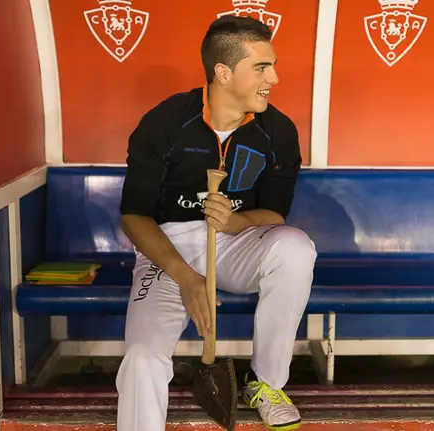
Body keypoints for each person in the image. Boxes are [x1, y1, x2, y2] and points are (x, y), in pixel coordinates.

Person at [115, 15, 317, 431]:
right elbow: (134, 217)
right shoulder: (166, 122)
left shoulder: (277, 130)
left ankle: (266, 384)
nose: (274, 78)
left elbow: (275, 216)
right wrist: (186, 277)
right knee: (141, 357)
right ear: (223, 73)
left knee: (295, 248)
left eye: (272, 66)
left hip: (235, 243)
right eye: (261, 67)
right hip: (166, 250)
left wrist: (235, 221)